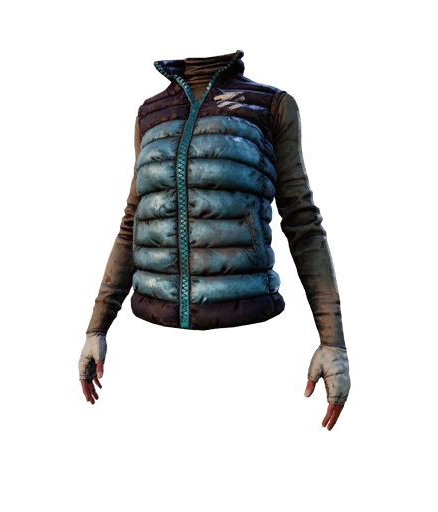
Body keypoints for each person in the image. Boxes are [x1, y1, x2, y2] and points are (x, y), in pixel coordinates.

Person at [79, 46, 350, 511]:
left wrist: (332, 342)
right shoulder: (151, 112)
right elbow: (133, 222)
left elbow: (301, 223)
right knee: (156, 482)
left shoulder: (270, 105)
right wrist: (96, 327)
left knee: (254, 482)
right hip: (155, 341)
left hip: (247, 343)